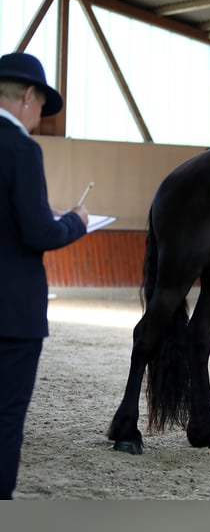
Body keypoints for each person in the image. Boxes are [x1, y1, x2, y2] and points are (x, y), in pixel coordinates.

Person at [0, 52, 89, 499]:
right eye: (38, 110)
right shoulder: (20, 148)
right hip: (10, 313)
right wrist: (75, 220)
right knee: (5, 416)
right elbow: (38, 233)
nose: (36, 120)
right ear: (28, 97)